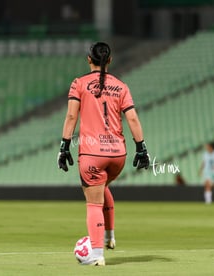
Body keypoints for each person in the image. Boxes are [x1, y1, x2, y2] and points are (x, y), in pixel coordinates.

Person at [57, 42, 150, 266]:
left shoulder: (78, 84)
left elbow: (71, 117)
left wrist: (64, 146)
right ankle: (109, 236)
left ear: (89, 59)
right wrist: (141, 148)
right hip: (118, 155)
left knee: (93, 204)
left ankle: (97, 254)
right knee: (103, 187)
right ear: (109, 61)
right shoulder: (121, 86)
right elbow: (133, 119)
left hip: (92, 154)